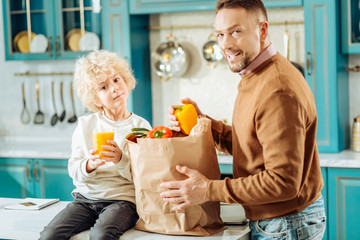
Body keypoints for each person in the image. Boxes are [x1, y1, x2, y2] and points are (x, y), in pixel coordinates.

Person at [160, 0, 326, 239]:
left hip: (286, 223)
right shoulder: (257, 75)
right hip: (280, 220)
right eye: (220, 34)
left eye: (236, 32)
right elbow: (251, 145)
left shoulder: (276, 91)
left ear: (262, 30)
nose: (225, 44)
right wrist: (203, 124)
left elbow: (282, 182)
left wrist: (207, 189)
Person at [40, 50, 151, 240]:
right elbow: (74, 169)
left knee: (101, 235)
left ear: (126, 79)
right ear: (95, 98)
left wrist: (120, 160)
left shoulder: (140, 127)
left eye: (116, 80)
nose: (114, 88)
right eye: (103, 87)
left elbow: (146, 176)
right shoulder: (85, 125)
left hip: (123, 201)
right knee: (49, 235)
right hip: (85, 200)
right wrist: (89, 165)